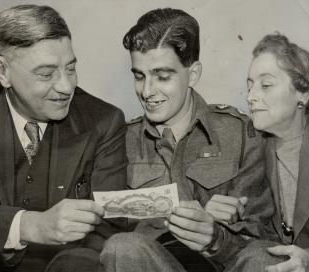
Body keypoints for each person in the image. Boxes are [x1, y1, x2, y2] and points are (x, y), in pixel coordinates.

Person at [100, 8, 274, 272]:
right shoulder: (120, 140)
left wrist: (215, 238)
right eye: (139, 76)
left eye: (162, 76)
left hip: (225, 265)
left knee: (264, 256)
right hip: (154, 263)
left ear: (192, 74)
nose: (147, 91)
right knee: (122, 247)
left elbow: (262, 231)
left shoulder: (239, 132)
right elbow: (105, 229)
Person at [0, 4, 127, 272]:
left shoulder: (104, 121)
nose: (66, 86)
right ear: (3, 71)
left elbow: (111, 228)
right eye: (46, 74)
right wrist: (30, 225)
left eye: (71, 69)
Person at [216, 33, 309, 272]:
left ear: (303, 93)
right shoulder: (248, 146)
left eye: (266, 85)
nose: (250, 97)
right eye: (249, 86)